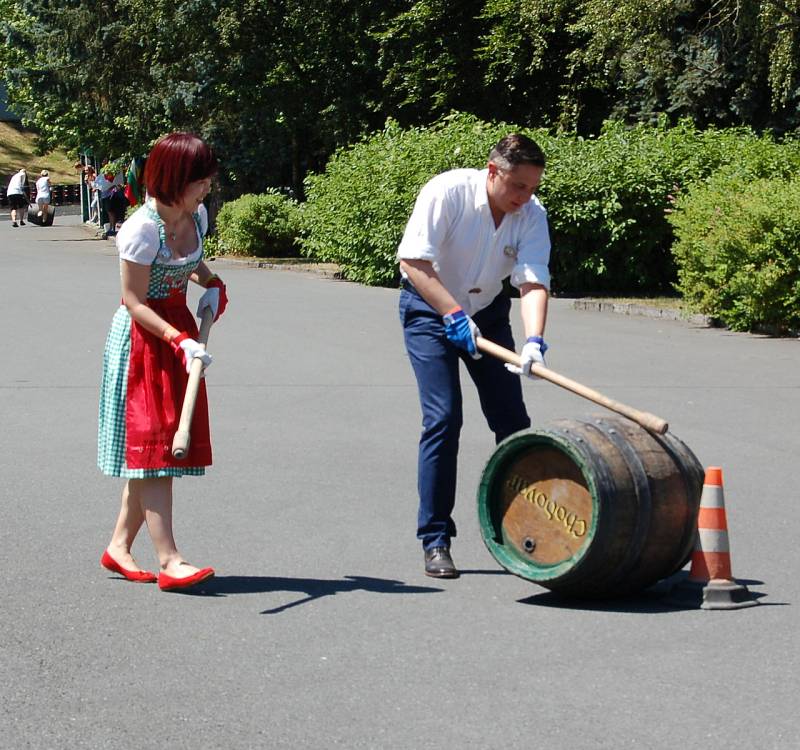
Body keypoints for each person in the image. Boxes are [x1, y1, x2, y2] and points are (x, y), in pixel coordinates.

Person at [397, 133, 552, 578]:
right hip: (428, 309)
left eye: (533, 188)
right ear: (493, 172)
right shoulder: (446, 192)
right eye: (518, 186)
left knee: (513, 423)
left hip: (487, 311)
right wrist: (453, 314)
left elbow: (532, 281)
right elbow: (414, 263)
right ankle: (435, 538)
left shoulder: (530, 215)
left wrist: (534, 341)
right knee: (444, 418)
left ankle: (526, 526)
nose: (526, 197)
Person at [97, 132, 229, 591]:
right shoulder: (140, 229)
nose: (209, 184)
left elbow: (190, 263)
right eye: (202, 177)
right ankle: (169, 559)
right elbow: (132, 300)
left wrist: (211, 283)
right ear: (176, 178)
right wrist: (180, 340)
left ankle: (118, 546)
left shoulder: (196, 216)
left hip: (177, 333)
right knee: (155, 450)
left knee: (151, 452)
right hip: (144, 338)